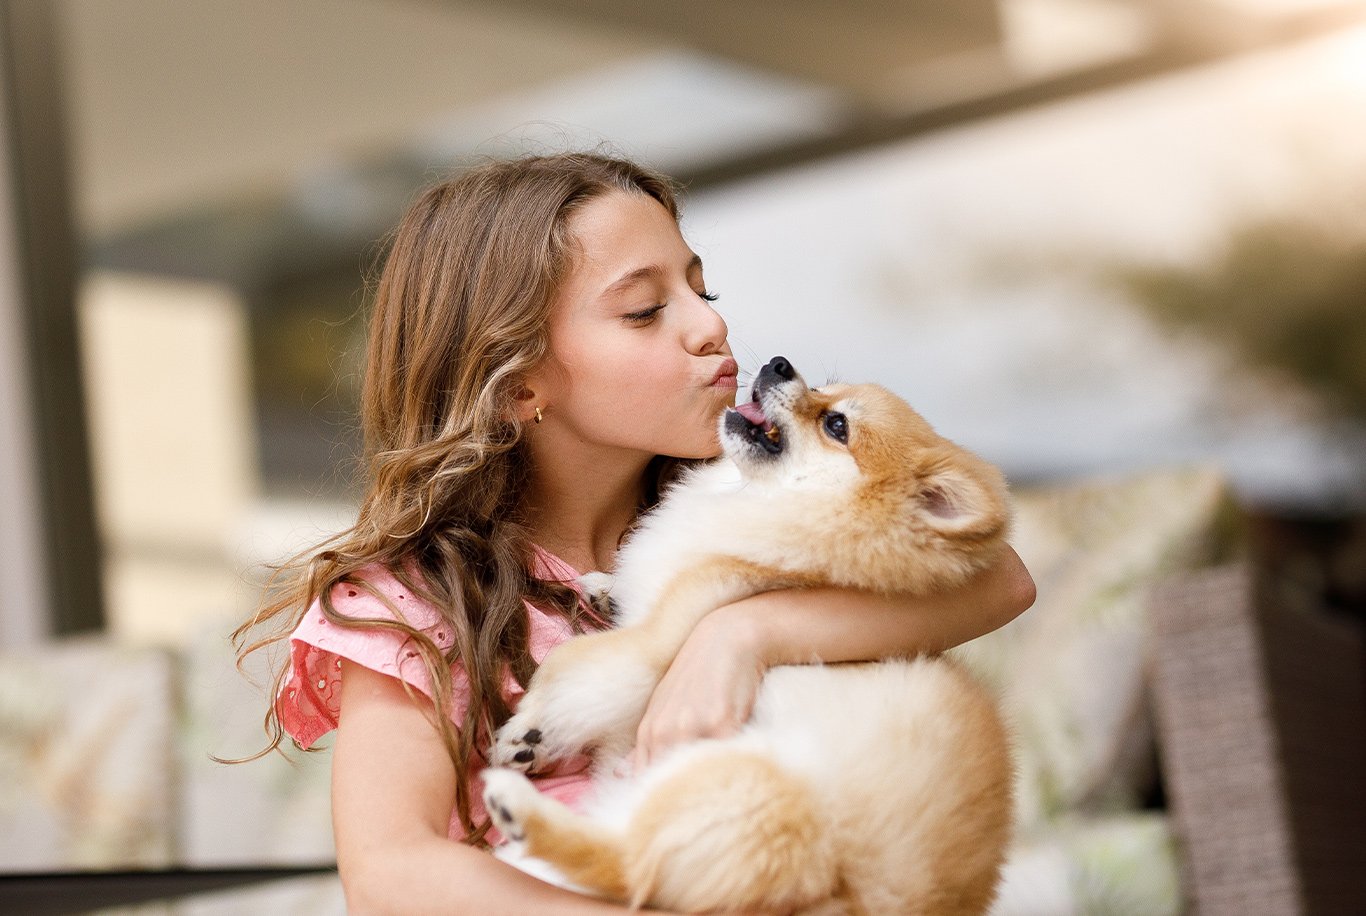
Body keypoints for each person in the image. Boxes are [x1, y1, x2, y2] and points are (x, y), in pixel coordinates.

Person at [234, 152, 1036, 914]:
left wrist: (742, 634)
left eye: (702, 288)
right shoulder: (417, 601)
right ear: (517, 387)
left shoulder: (762, 522)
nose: (710, 327)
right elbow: (391, 878)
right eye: (645, 310)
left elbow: (1000, 579)